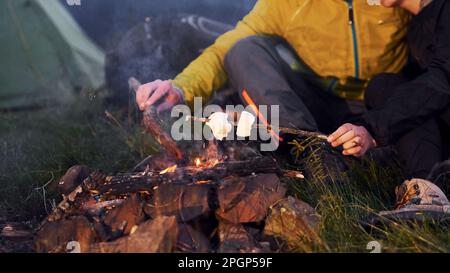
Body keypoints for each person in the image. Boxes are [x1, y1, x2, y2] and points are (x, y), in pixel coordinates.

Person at [135, 0, 410, 137]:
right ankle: (305, 147)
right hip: (312, 101)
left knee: (394, 85)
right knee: (243, 50)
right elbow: (227, 47)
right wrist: (182, 88)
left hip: (381, 101)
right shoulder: (289, 3)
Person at [328, 0, 450, 217]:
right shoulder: (417, 28)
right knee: (383, 86)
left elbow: (442, 80)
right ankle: (425, 192)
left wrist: (373, 129)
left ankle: (429, 198)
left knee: (386, 87)